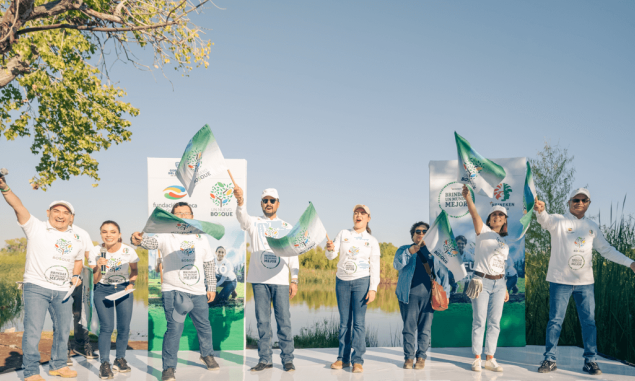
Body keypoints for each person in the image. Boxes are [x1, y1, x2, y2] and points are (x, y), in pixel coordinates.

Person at [534, 188, 635, 375]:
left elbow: (607, 250)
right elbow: (544, 220)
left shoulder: (592, 226)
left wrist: (630, 263)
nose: (579, 202)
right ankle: (549, 359)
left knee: (589, 322)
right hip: (560, 281)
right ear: (569, 202)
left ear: (588, 203)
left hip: (585, 283)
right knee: (555, 321)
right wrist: (540, 210)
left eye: (584, 200)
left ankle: (590, 360)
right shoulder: (558, 220)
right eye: (576, 199)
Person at [0, 175, 83, 381]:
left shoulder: (77, 238)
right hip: (36, 287)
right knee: (33, 331)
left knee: (63, 330)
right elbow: (18, 206)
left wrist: (75, 275)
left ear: (72, 217)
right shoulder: (35, 227)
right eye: (56, 211)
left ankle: (58, 365)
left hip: (63, 290)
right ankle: (31, 372)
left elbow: (78, 260)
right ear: (48, 213)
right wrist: (5, 188)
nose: (61, 215)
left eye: (66, 213)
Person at [131, 202, 218, 381]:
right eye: (178, 213)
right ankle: (169, 368)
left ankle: (207, 354)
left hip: (199, 292)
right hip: (174, 291)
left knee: (204, 326)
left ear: (192, 216)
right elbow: (150, 242)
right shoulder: (166, 235)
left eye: (186, 213)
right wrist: (139, 240)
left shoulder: (202, 238)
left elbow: (209, 263)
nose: (182, 216)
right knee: (174, 330)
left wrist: (212, 287)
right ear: (172, 217)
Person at [234, 186, 299, 372]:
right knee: (262, 322)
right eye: (265, 200)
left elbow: (293, 255)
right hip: (259, 280)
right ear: (261, 204)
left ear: (278, 203)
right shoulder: (253, 222)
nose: (268, 203)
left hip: (280, 280)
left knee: (284, 321)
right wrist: (240, 202)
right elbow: (242, 217)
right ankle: (265, 359)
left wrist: (294, 279)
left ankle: (288, 360)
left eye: (272, 200)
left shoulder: (287, 227)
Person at [325, 204, 380, 374]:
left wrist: (373, 289)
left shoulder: (372, 241)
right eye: (356, 213)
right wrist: (329, 249)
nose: (358, 215)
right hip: (342, 281)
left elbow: (375, 267)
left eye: (362, 213)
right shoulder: (343, 234)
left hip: (361, 282)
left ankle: (357, 360)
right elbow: (331, 256)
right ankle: (343, 359)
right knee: (344, 323)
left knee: (358, 323)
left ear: (368, 218)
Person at [461, 185, 510, 373]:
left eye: (501, 215)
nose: (497, 217)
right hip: (481, 282)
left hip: (499, 283)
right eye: (494, 215)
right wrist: (468, 199)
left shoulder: (504, 241)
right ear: (490, 219)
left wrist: (504, 287)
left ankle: (490, 358)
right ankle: (476, 358)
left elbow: (501, 265)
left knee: (495, 321)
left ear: (505, 220)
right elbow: (474, 215)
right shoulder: (482, 231)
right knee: (479, 320)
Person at [393, 222, 451, 370]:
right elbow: (397, 265)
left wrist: (446, 294)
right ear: (413, 235)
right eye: (417, 231)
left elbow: (443, 274)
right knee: (408, 328)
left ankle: (421, 357)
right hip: (408, 295)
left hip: (429, 296)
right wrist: (410, 252)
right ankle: (408, 357)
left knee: (425, 329)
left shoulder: (435, 252)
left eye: (424, 231)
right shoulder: (404, 249)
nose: (420, 233)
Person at [90, 220, 139, 379]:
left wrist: (131, 284)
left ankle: (120, 359)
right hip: (103, 290)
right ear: (101, 234)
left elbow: (134, 270)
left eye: (112, 232)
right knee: (107, 327)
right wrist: (98, 267)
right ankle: (104, 363)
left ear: (119, 235)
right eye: (105, 232)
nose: (108, 235)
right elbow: (95, 280)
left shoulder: (128, 251)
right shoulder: (96, 251)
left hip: (123, 289)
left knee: (124, 327)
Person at [66, 222, 97, 364]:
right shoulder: (50, 231)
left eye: (69, 213)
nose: (65, 216)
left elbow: (90, 256)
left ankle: (81, 346)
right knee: (62, 315)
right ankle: (64, 349)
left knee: (80, 314)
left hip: (79, 279)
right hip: (59, 279)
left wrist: (91, 279)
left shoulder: (82, 233)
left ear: (72, 216)